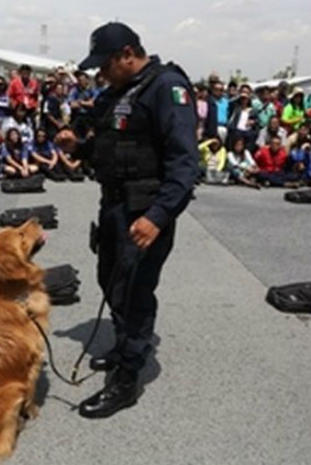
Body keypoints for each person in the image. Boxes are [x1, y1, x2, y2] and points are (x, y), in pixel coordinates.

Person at [56, 22, 198, 419]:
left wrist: (158, 217)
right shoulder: (120, 92)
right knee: (111, 280)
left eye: (105, 64)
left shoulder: (167, 88)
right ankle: (123, 346)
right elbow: (113, 145)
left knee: (135, 292)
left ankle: (127, 378)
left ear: (128, 54)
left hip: (146, 211)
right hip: (115, 206)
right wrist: (80, 148)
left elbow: (185, 164)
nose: (100, 73)